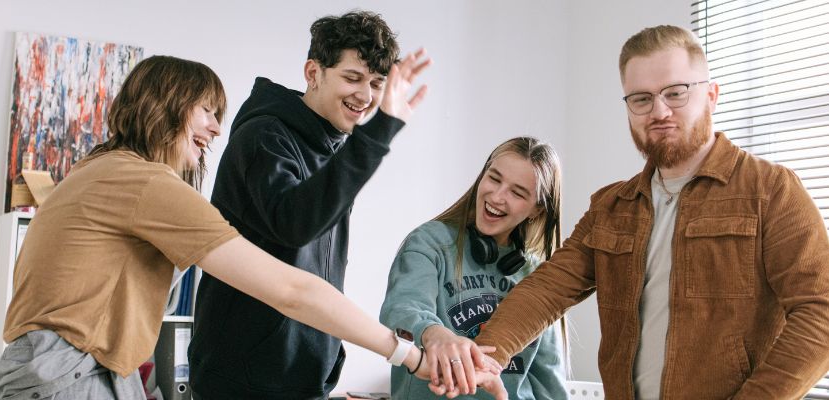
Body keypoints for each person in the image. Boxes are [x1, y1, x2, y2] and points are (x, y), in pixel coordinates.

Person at [0, 55, 503, 400]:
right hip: (67, 377)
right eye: (206, 110)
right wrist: (409, 355)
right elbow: (292, 289)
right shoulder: (144, 183)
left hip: (69, 372)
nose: (214, 127)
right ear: (163, 105)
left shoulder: (99, 172)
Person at [471, 25, 829, 400]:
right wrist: (484, 356)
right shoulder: (610, 207)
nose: (659, 111)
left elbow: (819, 313)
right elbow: (547, 289)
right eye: (641, 99)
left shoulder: (771, 191)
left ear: (711, 95)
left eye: (675, 93)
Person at [188, 10, 478, 400]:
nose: (366, 96)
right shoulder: (264, 136)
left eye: (377, 83)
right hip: (244, 381)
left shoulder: (329, 147)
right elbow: (295, 224)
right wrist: (380, 131)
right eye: (352, 77)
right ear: (313, 72)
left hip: (303, 380)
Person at [380, 137, 568, 400]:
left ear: (536, 209)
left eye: (517, 192)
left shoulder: (538, 276)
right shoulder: (430, 243)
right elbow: (401, 310)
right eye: (494, 178)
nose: (498, 196)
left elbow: (549, 381)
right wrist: (434, 335)